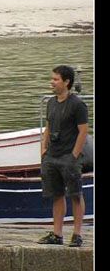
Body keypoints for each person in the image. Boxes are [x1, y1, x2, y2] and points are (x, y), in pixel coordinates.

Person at [39, 65, 89, 247]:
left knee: (75, 194)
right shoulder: (51, 102)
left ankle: (77, 234)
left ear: (66, 82)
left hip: (69, 156)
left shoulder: (77, 104)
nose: (52, 82)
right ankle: (57, 233)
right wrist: (44, 149)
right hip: (52, 155)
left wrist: (74, 155)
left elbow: (83, 131)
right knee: (56, 195)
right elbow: (49, 126)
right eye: (52, 79)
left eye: (55, 79)